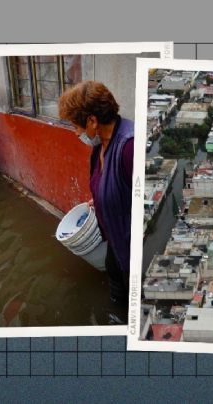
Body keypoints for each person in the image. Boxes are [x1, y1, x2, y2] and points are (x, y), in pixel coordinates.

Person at [58, 81, 134, 308]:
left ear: (92, 120)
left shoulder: (129, 148)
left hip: (130, 250)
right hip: (115, 244)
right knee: (116, 294)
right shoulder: (101, 146)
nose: (76, 133)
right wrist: (100, 200)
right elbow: (116, 187)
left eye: (76, 126)